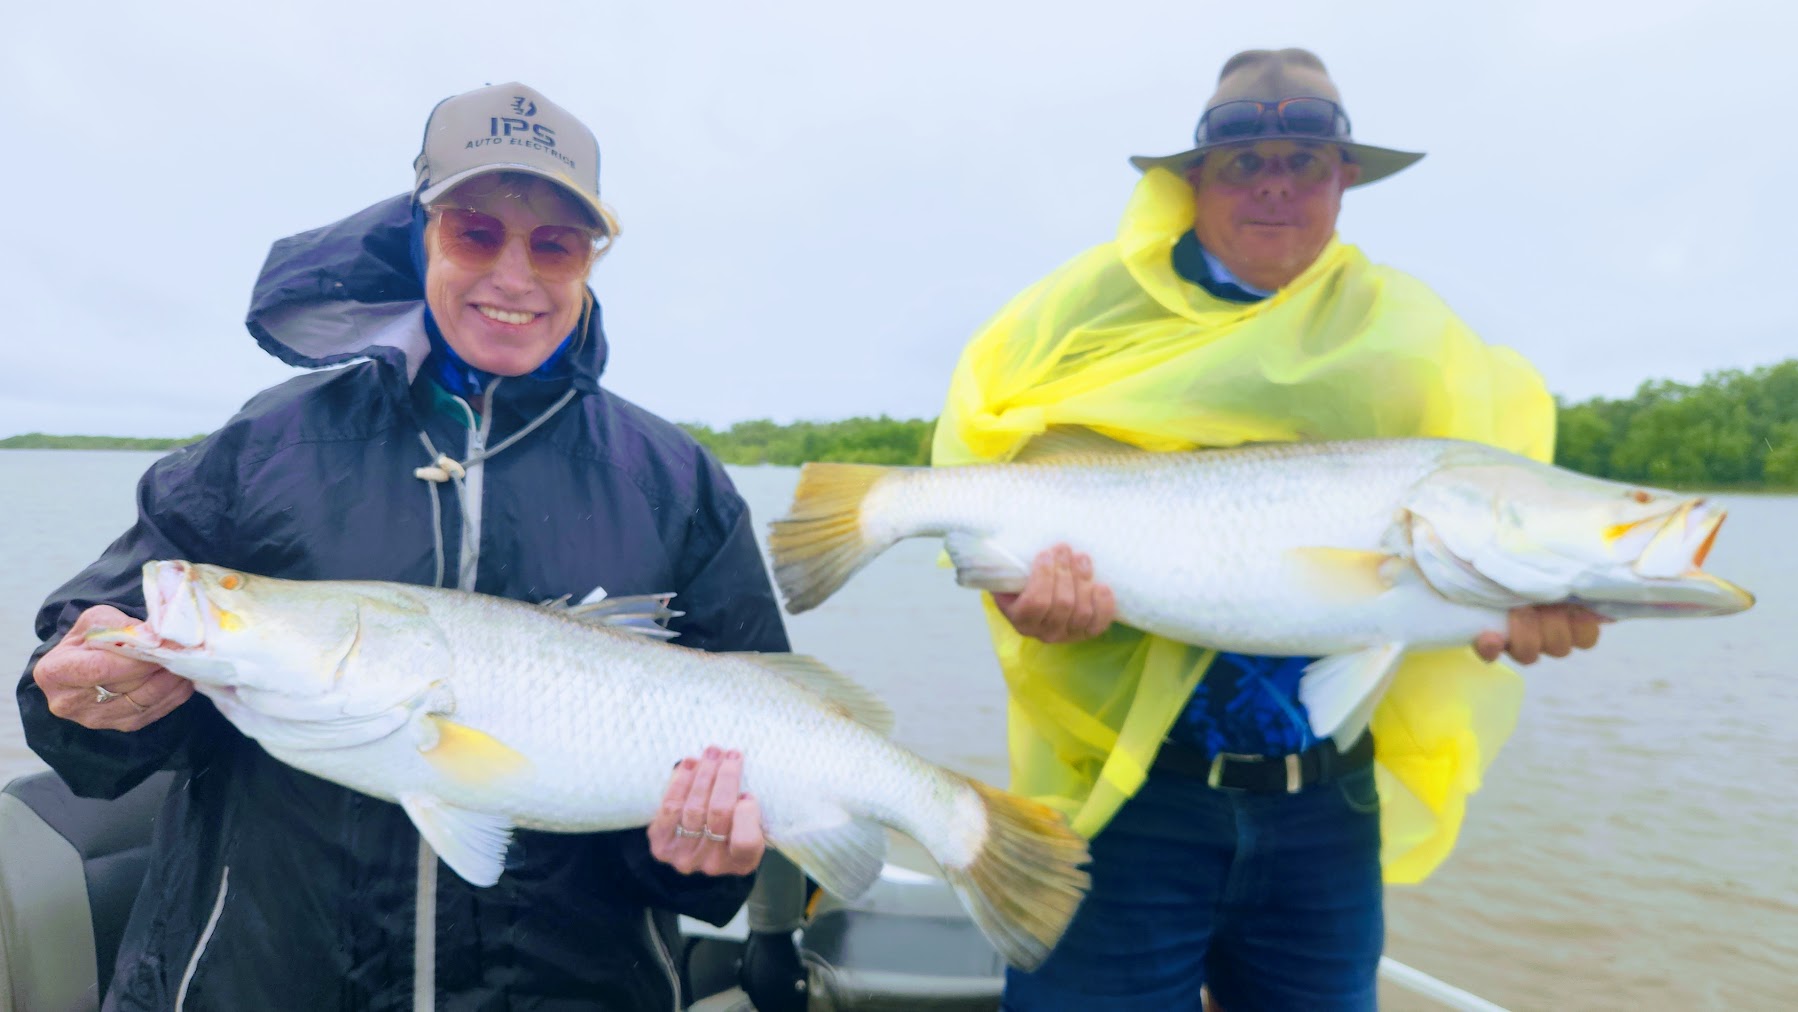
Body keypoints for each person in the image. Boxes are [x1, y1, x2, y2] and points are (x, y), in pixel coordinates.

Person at [18, 82, 790, 1010]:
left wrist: (703, 862)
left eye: (556, 243)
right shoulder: (262, 450)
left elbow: (753, 766)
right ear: (418, 230)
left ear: (591, 261)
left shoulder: (676, 484)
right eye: (475, 231)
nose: (515, 274)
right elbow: (76, 694)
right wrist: (85, 698)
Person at [931, 49, 1603, 1009]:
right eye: (1247, 164)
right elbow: (988, 473)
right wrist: (1016, 589)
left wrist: (1531, 598)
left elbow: (1493, 521)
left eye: (1308, 163)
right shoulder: (1081, 323)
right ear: (1194, 182)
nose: (1277, 187)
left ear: (1348, 180)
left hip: (1325, 807)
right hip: (1130, 796)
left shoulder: (1414, 338)